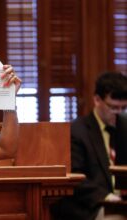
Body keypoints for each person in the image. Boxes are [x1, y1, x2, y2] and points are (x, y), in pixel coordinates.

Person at [52, 72, 127, 220]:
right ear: (97, 100)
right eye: (113, 107)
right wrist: (107, 197)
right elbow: (76, 178)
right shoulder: (77, 131)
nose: (118, 113)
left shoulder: (124, 127)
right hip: (91, 206)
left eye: (123, 108)